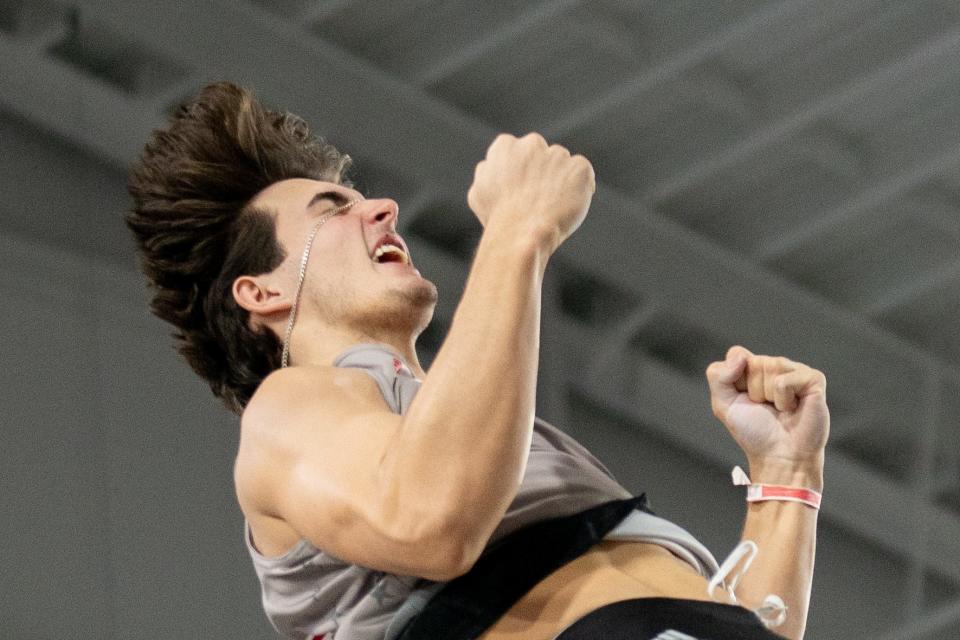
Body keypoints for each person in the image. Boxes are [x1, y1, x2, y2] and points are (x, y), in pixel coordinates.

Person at [126, 82, 829, 640]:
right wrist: (519, 228)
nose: (382, 210)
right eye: (332, 206)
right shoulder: (290, 410)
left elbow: (732, 620)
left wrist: (786, 476)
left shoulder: (501, 437)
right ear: (262, 290)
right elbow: (428, 521)